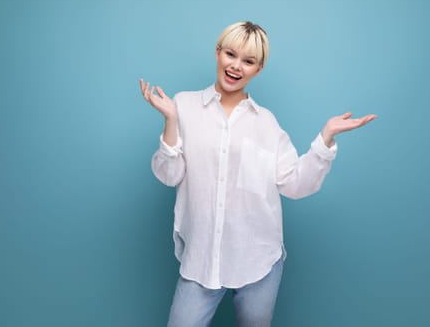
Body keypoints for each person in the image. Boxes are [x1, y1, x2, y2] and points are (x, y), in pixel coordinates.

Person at [140, 21, 376, 327]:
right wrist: (171, 120)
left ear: (258, 69)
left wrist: (326, 138)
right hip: (200, 261)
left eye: (248, 61)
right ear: (218, 53)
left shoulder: (266, 122)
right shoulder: (183, 105)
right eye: (231, 54)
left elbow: (295, 184)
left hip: (258, 261)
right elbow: (169, 175)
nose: (236, 66)